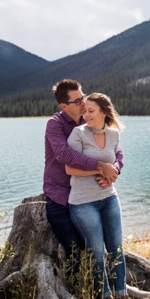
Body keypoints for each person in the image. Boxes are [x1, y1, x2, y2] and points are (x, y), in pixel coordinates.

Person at [65, 92, 135, 299]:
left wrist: (112, 174)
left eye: (91, 111)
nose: (86, 115)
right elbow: (69, 169)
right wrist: (98, 170)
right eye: (84, 111)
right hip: (83, 202)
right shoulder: (78, 134)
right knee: (96, 250)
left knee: (116, 247)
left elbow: (115, 161)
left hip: (109, 198)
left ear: (104, 112)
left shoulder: (113, 134)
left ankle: (122, 296)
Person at [43, 79, 122, 274]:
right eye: (77, 101)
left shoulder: (89, 120)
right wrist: (99, 167)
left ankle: (106, 291)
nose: (83, 103)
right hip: (60, 196)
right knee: (75, 251)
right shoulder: (55, 125)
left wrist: (114, 170)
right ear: (64, 105)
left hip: (89, 195)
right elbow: (65, 155)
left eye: (83, 97)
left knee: (100, 248)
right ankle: (75, 297)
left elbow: (116, 150)